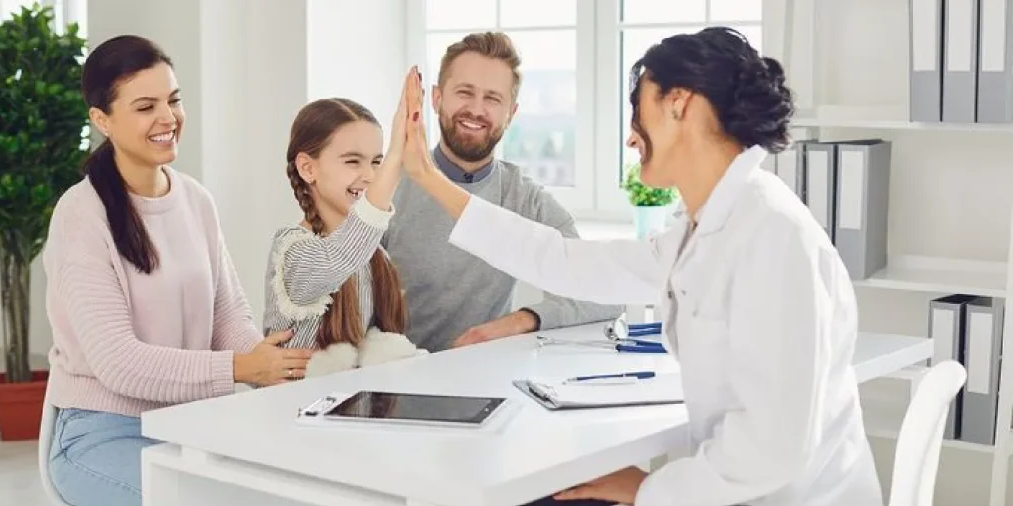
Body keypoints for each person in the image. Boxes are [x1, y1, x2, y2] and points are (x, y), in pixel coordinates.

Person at [399, 27, 883, 506]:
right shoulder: (701, 230)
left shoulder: (772, 236)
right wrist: (426, 176)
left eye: (639, 111)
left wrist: (649, 489)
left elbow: (772, 449)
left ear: (680, 105)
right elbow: (564, 261)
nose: (632, 138)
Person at [42, 35, 313, 506]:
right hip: (102, 434)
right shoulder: (80, 214)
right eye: (146, 106)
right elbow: (118, 364)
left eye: (174, 100)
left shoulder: (194, 199)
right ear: (102, 120)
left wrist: (270, 361)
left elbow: (227, 314)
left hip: (194, 424)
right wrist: (240, 368)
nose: (168, 118)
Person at [381, 31, 623, 353]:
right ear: (437, 98)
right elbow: (331, 284)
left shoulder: (524, 198)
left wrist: (520, 320)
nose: (477, 110)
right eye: (464, 92)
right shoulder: (388, 187)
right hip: (393, 383)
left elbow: (605, 292)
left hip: (485, 380)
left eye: (493, 99)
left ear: (511, 113)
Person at [261, 69, 428, 376]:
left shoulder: (374, 256)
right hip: (290, 415)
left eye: (376, 161)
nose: (369, 175)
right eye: (353, 161)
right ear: (308, 169)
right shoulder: (293, 251)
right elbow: (338, 259)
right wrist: (395, 155)